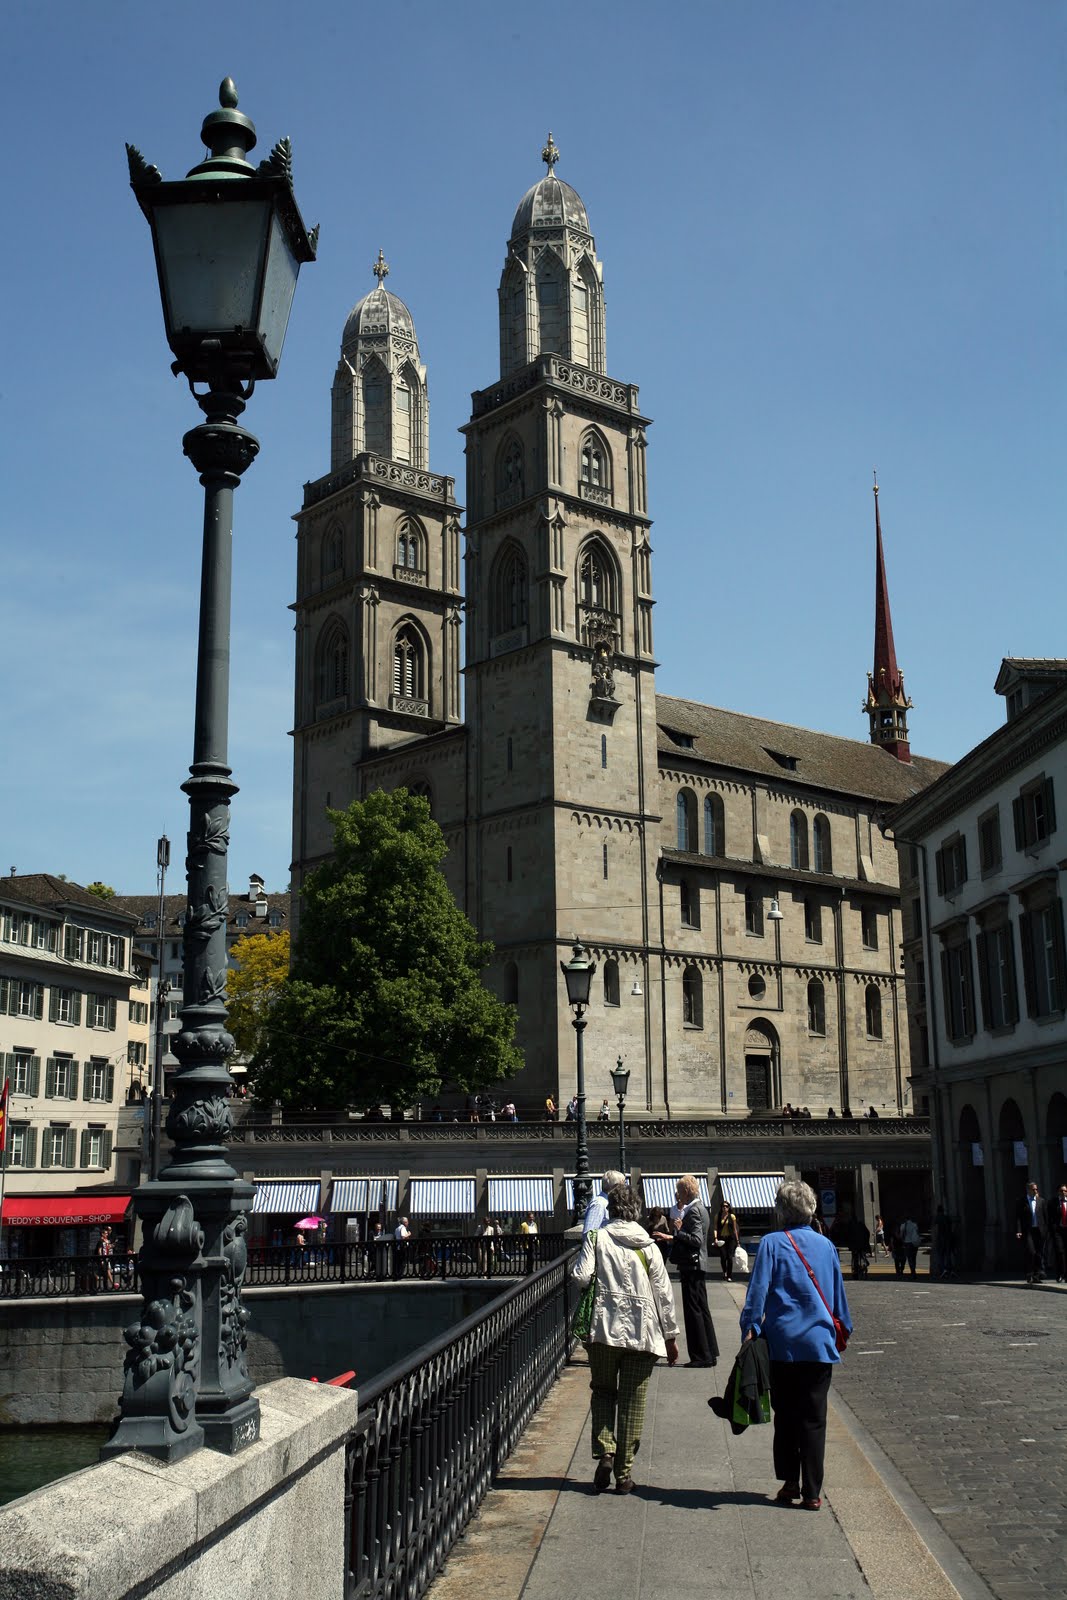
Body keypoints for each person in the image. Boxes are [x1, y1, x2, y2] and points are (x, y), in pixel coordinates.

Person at [740, 1178, 852, 1511]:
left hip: (782, 1345)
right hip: (818, 1345)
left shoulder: (771, 1244)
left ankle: (790, 1482)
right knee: (814, 1419)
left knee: (786, 1415)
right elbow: (838, 1298)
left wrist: (750, 1327)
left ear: (781, 1211)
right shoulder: (826, 1246)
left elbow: (757, 1292)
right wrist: (842, 1330)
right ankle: (813, 1492)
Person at [571, 1182, 679, 1494]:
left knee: (603, 1391)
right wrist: (671, 1337)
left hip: (603, 1330)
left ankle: (606, 1450)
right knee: (634, 1402)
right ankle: (624, 1475)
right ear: (636, 1212)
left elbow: (581, 1276)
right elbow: (664, 1295)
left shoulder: (596, 1238)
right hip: (642, 1334)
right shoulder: (649, 1246)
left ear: (612, 1210)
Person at [672, 1175, 718, 1368]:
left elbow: (697, 1240)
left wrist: (679, 1230)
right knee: (701, 1308)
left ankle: (700, 1355)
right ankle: (709, 1352)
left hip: (692, 1265)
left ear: (686, 1191)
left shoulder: (693, 1211)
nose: (678, 1195)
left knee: (693, 1311)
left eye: (679, 1191)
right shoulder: (702, 1209)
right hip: (697, 1265)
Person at [1014, 1181, 1049, 1284]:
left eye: (1036, 1189)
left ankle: (1037, 1275)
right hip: (1028, 1231)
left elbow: (1045, 1216)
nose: (1035, 1191)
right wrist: (1018, 1231)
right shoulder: (1022, 1201)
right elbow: (1018, 1218)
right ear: (1028, 1190)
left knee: (1039, 1253)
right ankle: (1029, 1274)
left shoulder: (1041, 1201)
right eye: (1033, 1189)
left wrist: (1046, 1230)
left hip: (1039, 1230)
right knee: (1031, 1252)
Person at [713, 1200, 740, 1282]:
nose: (725, 1208)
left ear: (729, 1208)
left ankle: (729, 1275)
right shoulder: (718, 1216)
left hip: (730, 1238)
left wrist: (737, 1241)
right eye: (723, 1206)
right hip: (721, 1238)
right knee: (723, 1256)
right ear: (721, 1208)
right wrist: (715, 1238)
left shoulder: (732, 1216)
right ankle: (724, 1271)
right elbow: (715, 1228)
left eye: (726, 1206)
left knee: (730, 1257)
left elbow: (735, 1229)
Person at [1050, 1184, 1067, 1283]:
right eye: (1061, 1191)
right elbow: (1049, 1217)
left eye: (1065, 1191)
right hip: (1058, 1231)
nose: (1063, 1192)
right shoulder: (1053, 1202)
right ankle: (1060, 1274)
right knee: (1060, 1252)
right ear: (1058, 1192)